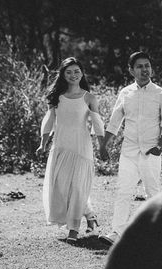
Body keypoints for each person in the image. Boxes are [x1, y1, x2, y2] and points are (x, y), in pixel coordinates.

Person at [98, 51, 162, 246]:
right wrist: (104, 144)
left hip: (151, 152)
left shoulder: (159, 93)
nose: (144, 70)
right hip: (129, 151)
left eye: (147, 65)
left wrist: (159, 147)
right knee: (124, 191)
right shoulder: (125, 93)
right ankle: (117, 232)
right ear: (131, 70)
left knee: (153, 192)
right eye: (139, 66)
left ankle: (157, 233)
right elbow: (115, 122)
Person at [39, 57, 106, 243]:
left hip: (81, 147)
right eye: (68, 72)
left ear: (82, 73)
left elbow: (98, 124)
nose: (73, 75)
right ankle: (90, 215)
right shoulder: (56, 97)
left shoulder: (89, 98)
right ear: (62, 74)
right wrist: (42, 143)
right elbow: (49, 121)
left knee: (77, 187)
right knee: (62, 187)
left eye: (76, 71)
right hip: (61, 146)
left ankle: (73, 230)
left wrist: (102, 146)